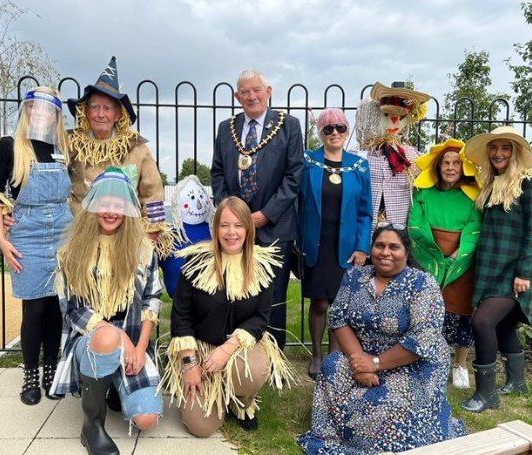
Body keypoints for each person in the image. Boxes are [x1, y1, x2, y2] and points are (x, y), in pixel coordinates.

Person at [298, 224, 466, 454]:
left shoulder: (422, 284)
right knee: (331, 367)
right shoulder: (355, 276)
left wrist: (376, 363)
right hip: (363, 355)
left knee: (389, 404)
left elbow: (422, 339)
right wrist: (360, 362)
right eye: (380, 246)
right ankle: (334, 435)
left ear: (406, 252)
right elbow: (338, 318)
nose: (385, 252)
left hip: (414, 363)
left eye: (393, 247)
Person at [50, 167, 163, 454]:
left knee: (147, 419)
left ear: (128, 210)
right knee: (107, 339)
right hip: (91, 340)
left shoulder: (143, 250)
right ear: (93, 206)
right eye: (104, 204)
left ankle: (114, 386)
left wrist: (139, 348)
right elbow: (73, 310)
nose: (111, 211)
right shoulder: (71, 251)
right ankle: (92, 425)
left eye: (118, 205)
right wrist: (119, 337)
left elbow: (152, 299)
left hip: (133, 340)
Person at [160, 197, 295, 437]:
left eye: (238, 225)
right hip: (200, 350)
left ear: (248, 229)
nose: (231, 232)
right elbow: (181, 315)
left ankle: (240, 400)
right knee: (201, 428)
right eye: (224, 225)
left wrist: (226, 349)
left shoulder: (262, 265)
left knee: (252, 371)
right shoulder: (196, 263)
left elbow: (261, 318)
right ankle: (216, 392)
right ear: (215, 228)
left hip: (240, 349)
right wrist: (189, 364)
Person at [0, 86, 72, 405]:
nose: (41, 114)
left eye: (48, 109)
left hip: (63, 231)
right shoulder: (9, 146)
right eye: (35, 107)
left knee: (56, 306)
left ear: (56, 115)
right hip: (27, 234)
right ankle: (30, 374)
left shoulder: (63, 148)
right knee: (33, 307)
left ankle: (51, 371)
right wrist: (2, 240)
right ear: (28, 110)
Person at [461, 126, 532, 413]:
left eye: (505, 148)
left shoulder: (529, 184)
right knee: (503, 325)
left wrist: (524, 272)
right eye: (494, 148)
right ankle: (517, 382)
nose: (498, 153)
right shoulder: (490, 184)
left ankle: (487, 394)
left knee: (483, 322)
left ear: (515, 153)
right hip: (490, 267)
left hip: (513, 271)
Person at [211, 69, 304, 350]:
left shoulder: (289, 125)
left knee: (274, 293)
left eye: (256, 90)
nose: (251, 96)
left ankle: (272, 353)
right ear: (237, 97)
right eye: (245, 92)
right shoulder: (226, 129)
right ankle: (237, 348)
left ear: (268, 91)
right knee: (236, 288)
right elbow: (217, 173)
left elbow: (294, 174)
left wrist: (266, 214)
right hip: (235, 229)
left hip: (275, 225)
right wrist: (232, 216)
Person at [66, 56, 172, 256]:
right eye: (95, 107)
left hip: (127, 240)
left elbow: (153, 193)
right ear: (86, 111)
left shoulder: (137, 148)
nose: (100, 114)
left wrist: (153, 231)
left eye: (107, 108)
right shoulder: (71, 145)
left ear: (118, 114)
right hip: (82, 237)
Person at [298, 107, 372, 379]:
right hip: (316, 244)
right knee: (319, 303)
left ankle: (334, 356)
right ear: (320, 132)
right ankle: (317, 354)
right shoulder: (308, 161)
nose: (334, 133)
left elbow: (366, 211)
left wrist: (363, 246)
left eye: (339, 127)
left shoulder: (359, 165)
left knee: (340, 305)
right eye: (328, 128)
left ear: (347, 130)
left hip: (347, 247)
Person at [408, 138, 482, 389]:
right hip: (429, 259)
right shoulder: (423, 194)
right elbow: (416, 225)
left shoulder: (472, 196)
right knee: (429, 314)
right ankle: (429, 361)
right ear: (438, 167)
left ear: (463, 168)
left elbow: (475, 228)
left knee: (461, 313)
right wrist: (434, 255)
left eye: (456, 163)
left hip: (461, 262)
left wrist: (458, 254)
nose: (450, 168)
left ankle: (460, 365)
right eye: (446, 163)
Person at [355, 81, 431, 228]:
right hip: (364, 232)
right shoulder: (359, 155)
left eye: (400, 117)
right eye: (387, 115)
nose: (394, 121)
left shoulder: (411, 157)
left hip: (398, 232)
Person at [158, 175, 214, 298]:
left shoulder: (215, 232)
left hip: (213, 301)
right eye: (192, 198)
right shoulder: (169, 237)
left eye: (200, 197)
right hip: (180, 302)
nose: (198, 204)